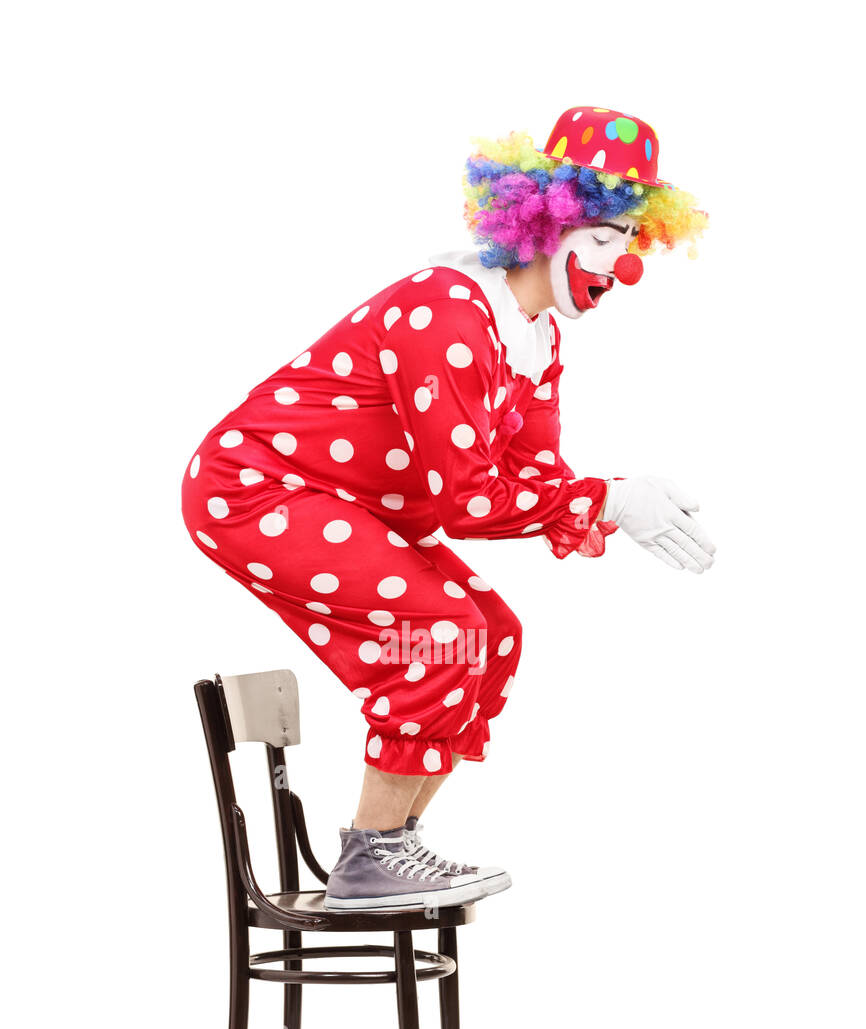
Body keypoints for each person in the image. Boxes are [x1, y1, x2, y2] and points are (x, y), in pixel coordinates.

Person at [181, 105, 715, 912]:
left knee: (490, 635)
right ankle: (373, 858)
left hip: (345, 504)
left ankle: (385, 849)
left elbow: (529, 479)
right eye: (605, 237)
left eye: (634, 243)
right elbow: (466, 502)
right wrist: (603, 499)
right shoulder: (449, 308)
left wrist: (610, 502)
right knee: (439, 632)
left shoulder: (535, 340)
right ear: (542, 222)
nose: (623, 264)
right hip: (257, 489)